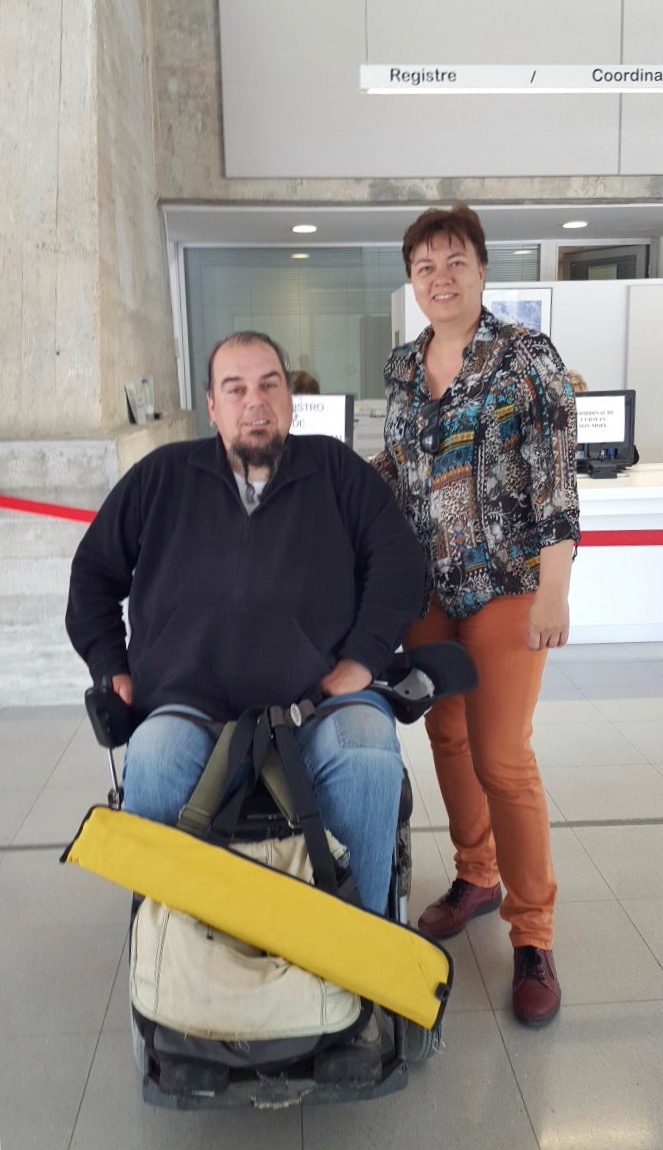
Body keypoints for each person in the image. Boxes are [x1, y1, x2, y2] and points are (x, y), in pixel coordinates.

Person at [66, 331, 426, 918]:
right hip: (186, 701)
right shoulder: (161, 477)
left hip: (318, 702)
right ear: (212, 406)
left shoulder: (337, 471)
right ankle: (168, 944)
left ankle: (361, 940)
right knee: (153, 763)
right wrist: (112, 667)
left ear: (290, 398)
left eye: (269, 384)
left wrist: (362, 658)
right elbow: (92, 575)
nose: (254, 402)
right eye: (235, 389)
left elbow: (399, 565)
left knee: (367, 754)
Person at [372, 206, 580, 1027]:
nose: (440, 278)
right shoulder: (401, 366)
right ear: (411, 280)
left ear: (482, 270)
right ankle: (476, 875)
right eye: (424, 266)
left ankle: (533, 935)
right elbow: (396, 467)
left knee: (501, 756)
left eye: (454, 261)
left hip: (506, 582)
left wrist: (554, 589)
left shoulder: (525, 357)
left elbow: (555, 480)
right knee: (447, 735)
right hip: (426, 588)